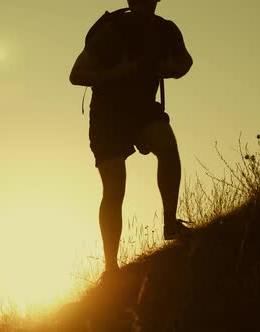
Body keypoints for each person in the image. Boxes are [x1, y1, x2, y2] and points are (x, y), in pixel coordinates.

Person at [69, 0, 193, 279]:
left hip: (142, 109)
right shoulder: (112, 30)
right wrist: (117, 73)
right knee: (114, 190)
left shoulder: (166, 30)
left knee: (168, 147)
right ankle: (110, 267)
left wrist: (171, 68)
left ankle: (170, 224)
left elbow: (186, 61)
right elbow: (76, 75)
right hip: (107, 116)